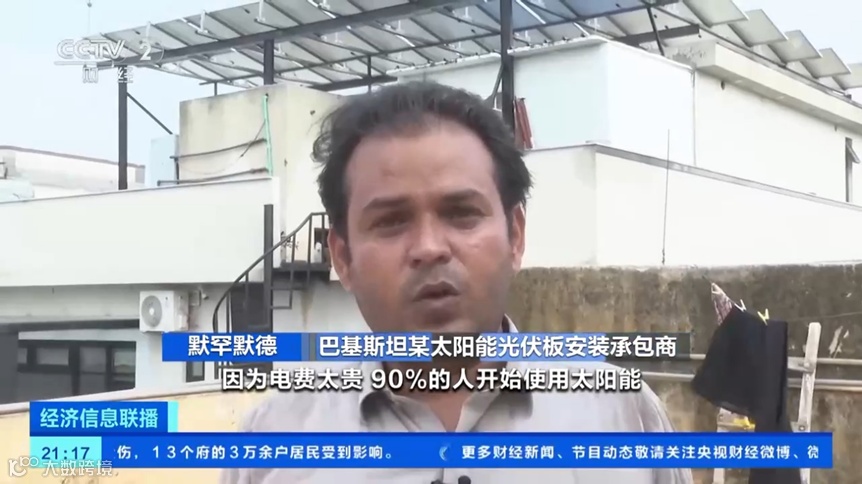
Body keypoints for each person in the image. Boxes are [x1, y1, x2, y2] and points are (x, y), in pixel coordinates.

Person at [221, 81, 693, 484]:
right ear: (342, 256)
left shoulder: (621, 416)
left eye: (462, 213)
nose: (429, 248)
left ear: (515, 236)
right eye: (391, 221)